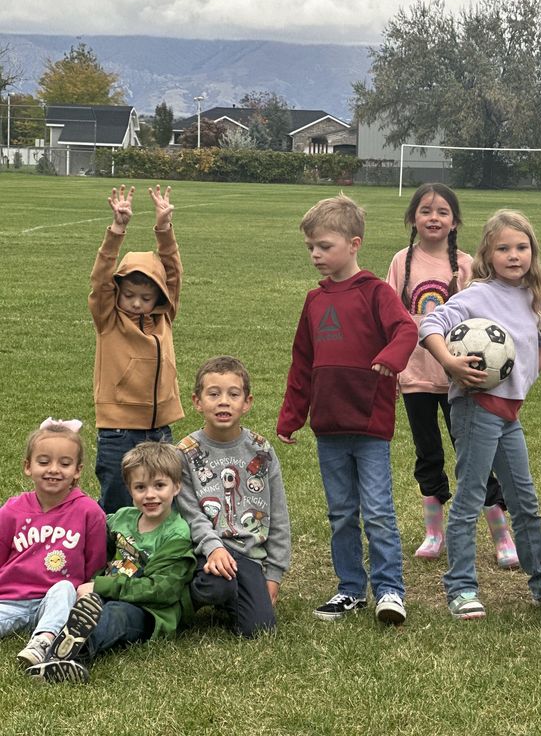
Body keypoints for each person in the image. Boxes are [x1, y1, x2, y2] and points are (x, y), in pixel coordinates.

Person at [278, 194, 416, 626]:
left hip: (369, 424)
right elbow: (302, 362)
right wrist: (291, 416)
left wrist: (390, 360)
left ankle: (390, 589)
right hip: (329, 426)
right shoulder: (314, 301)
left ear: (354, 243)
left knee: (377, 511)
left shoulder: (376, 292)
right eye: (311, 248)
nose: (316, 255)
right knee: (340, 513)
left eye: (325, 246)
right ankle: (350, 590)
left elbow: (405, 329)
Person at [420, 209, 541, 620]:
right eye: (503, 248)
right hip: (475, 409)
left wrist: (526, 376)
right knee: (470, 498)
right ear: (488, 253)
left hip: (508, 414)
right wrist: (450, 362)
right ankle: (461, 588)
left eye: (521, 247)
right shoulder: (476, 296)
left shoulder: (535, 299)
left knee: (525, 501)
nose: (513, 255)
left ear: (532, 253)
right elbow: (430, 322)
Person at [385, 183, 515, 568]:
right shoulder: (399, 262)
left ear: (455, 220)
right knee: (428, 454)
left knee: (473, 453)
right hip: (415, 376)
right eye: (425, 211)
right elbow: (390, 318)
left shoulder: (466, 265)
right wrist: (393, 368)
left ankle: (500, 531)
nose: (433, 218)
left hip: (461, 380)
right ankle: (433, 531)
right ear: (413, 218)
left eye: (442, 212)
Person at [27, 442, 195, 683]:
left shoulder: (176, 535)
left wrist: (100, 587)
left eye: (159, 485)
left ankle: (72, 652)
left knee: (115, 615)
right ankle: (49, 639)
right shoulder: (122, 518)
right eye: (140, 487)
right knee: (82, 602)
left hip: (148, 610)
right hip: (107, 592)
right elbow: (91, 535)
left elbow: (161, 590)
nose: (150, 495)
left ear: (176, 486)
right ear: (129, 488)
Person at [178, 356, 292, 637]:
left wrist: (273, 576)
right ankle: (183, 600)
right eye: (213, 394)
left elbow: (278, 515)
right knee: (216, 584)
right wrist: (213, 547)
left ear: (247, 402)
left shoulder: (261, 451)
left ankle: (237, 596)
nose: (223, 402)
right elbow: (190, 512)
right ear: (197, 402)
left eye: (233, 394)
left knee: (261, 630)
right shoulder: (185, 451)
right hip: (204, 553)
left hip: (248, 557)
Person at [89, 184, 184, 514]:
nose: (136, 304)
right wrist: (117, 230)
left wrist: (164, 229)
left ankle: (155, 560)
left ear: (158, 298)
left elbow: (172, 274)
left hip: (160, 429)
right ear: (119, 292)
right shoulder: (108, 318)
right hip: (118, 430)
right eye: (129, 295)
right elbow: (100, 278)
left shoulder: (164, 317)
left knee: (159, 501)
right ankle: (111, 560)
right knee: (117, 502)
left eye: (146, 298)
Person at [1, 419, 106, 669]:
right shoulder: (11, 510)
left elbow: (95, 564)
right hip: (10, 599)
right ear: (28, 467)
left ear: (78, 470)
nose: (54, 470)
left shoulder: (89, 512)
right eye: (44, 462)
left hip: (56, 601)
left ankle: (44, 641)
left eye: (65, 463)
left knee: (65, 588)